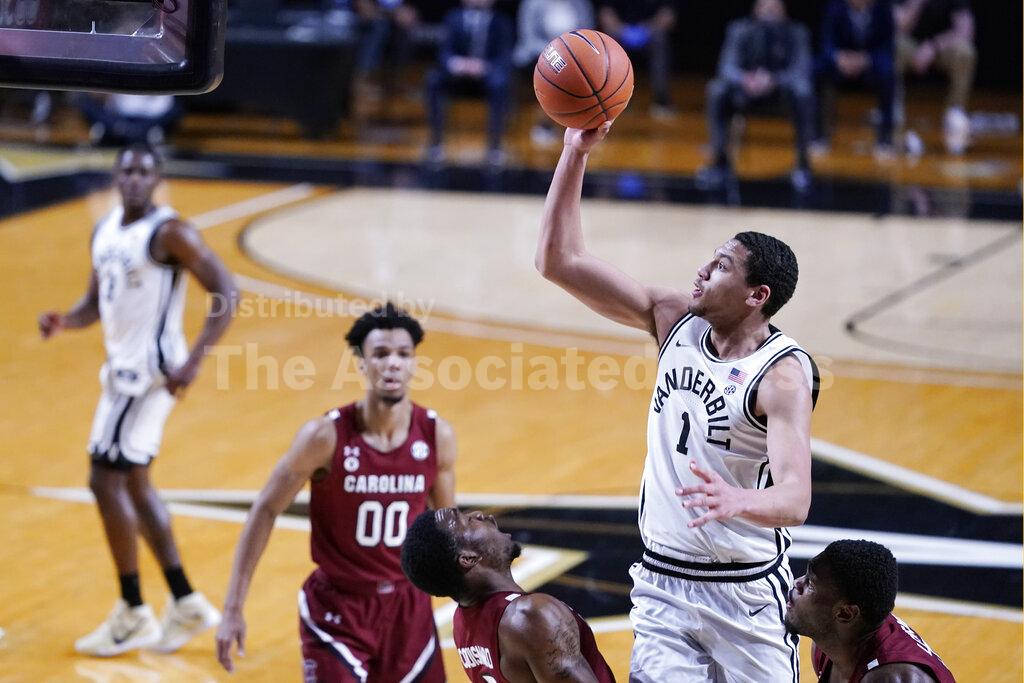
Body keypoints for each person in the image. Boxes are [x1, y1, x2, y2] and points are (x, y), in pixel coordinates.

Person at [536, 122, 818, 682]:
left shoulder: (781, 374)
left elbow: (795, 499)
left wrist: (736, 500)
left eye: (721, 267)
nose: (702, 271)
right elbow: (558, 261)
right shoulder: (674, 321)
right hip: (664, 582)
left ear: (756, 296)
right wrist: (575, 152)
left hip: (746, 592)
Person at [39, 143, 237, 656]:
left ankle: (132, 611)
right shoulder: (104, 230)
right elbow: (94, 304)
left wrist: (193, 362)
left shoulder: (170, 232)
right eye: (125, 170)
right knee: (134, 482)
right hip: (120, 376)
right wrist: (65, 320)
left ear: (157, 179)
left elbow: (226, 291)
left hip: (150, 378)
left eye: (143, 172)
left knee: (103, 478)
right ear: (115, 175)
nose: (133, 178)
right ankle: (186, 602)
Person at [215, 303, 456, 682]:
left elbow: (447, 530)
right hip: (339, 608)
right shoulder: (323, 436)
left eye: (403, 354)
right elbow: (264, 509)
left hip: (408, 608)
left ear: (413, 364)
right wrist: (232, 607)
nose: (392, 363)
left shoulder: (435, 435)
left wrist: (481, 606)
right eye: (380, 354)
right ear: (361, 364)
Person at [402, 508, 616, 683]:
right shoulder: (531, 616)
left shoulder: (463, 623)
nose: (480, 515)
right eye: (467, 521)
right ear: (468, 558)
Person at [785, 540, 956, 682]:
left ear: (845, 613)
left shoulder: (891, 677)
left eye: (810, 584)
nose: (797, 583)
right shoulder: (830, 641)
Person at [697, 0, 815, 191]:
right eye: (764, 6)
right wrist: (745, 79)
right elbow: (726, 67)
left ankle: (803, 165)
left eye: (774, 7)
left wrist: (773, 80)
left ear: (784, 10)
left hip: (781, 92)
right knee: (716, 90)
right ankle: (720, 162)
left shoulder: (797, 32)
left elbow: (801, 69)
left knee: (804, 91)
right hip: (746, 90)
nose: (769, 11)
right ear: (755, 9)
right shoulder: (739, 29)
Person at [424, 0, 515, 166]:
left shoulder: (502, 22)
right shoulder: (453, 18)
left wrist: (484, 67)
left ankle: (495, 147)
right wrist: (457, 64)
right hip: (457, 77)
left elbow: (505, 57)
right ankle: (436, 143)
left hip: (486, 77)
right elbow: (443, 52)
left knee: (501, 83)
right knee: (433, 80)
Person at [815, 0, 896, 155]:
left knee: (888, 72)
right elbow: (826, 43)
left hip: (870, 63)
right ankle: (819, 135)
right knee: (816, 69)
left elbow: (888, 46)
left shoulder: (883, 9)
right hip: (842, 62)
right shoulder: (834, 7)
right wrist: (838, 57)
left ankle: (885, 138)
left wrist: (866, 59)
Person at [894, 0, 976, 154]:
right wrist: (915, 5)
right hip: (912, 48)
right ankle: (892, 106)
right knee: (892, 46)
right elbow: (896, 27)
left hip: (941, 49)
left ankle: (955, 111)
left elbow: (966, 32)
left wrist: (933, 46)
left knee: (966, 52)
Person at [513, 0, 596, 147]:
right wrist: (555, 51)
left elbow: (587, 34)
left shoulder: (580, 4)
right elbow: (528, 37)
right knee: (550, 70)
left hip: (573, 55)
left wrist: (570, 52)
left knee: (588, 70)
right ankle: (544, 124)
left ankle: (584, 124)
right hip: (538, 53)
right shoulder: (532, 4)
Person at [597, 0, 677, 118]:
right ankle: (615, 101)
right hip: (621, 31)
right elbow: (606, 13)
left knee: (660, 41)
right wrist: (621, 30)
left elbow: (668, 14)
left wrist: (647, 30)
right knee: (609, 43)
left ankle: (661, 101)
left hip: (650, 31)